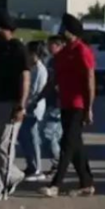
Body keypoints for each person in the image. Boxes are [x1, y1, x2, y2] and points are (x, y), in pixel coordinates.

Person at [41, 14, 96, 198]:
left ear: (72, 32)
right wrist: (40, 96)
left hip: (79, 104)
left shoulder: (82, 51)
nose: (61, 31)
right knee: (76, 145)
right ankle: (87, 183)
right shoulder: (62, 54)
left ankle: (55, 184)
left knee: (66, 144)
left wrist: (89, 107)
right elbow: (54, 79)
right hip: (64, 103)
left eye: (65, 28)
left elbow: (90, 79)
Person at [0, 11, 31, 201]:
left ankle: (1, 187)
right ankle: (12, 174)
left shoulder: (19, 48)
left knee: (4, 147)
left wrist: (21, 104)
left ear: (5, 29)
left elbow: (25, 77)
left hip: (10, 103)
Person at [17, 41, 49, 182]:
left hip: (33, 109)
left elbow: (36, 91)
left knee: (33, 139)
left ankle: (37, 169)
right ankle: (31, 165)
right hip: (27, 107)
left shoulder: (41, 70)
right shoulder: (32, 67)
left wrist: (26, 104)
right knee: (24, 139)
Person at [40, 36, 66, 172]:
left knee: (48, 135)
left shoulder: (65, 60)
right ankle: (59, 164)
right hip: (51, 102)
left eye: (51, 45)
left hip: (60, 104)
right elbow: (50, 82)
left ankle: (59, 163)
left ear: (58, 45)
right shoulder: (51, 61)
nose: (49, 48)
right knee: (54, 136)